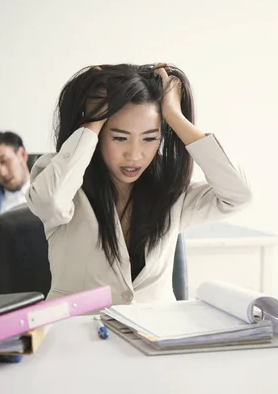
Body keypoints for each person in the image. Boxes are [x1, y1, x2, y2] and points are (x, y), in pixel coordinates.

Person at [27, 63, 252, 304]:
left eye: (150, 138)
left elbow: (238, 195)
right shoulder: (61, 178)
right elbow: (50, 201)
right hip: (78, 334)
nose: (134, 155)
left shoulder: (170, 189)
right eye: (120, 138)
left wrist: (175, 116)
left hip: (158, 334)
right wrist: (93, 119)